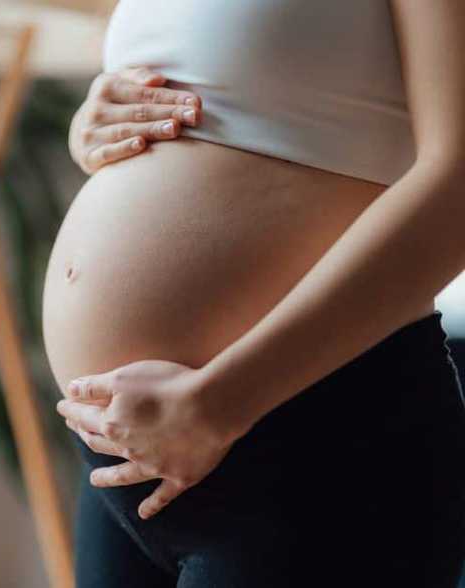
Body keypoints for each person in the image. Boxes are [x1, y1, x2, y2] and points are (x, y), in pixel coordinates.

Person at [42, 1, 465, 586]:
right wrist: (93, 124)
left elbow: (459, 184)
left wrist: (220, 402)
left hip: (316, 450)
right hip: (130, 459)